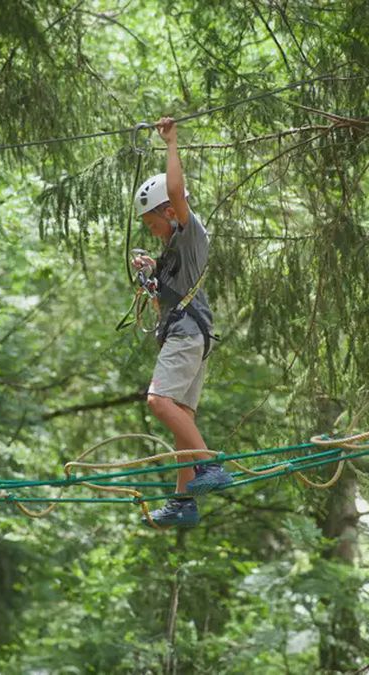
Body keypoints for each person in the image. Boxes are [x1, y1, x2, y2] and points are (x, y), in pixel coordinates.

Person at [130, 116, 232, 527]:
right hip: (189, 335)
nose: (154, 233)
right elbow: (165, 304)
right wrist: (150, 276)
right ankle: (184, 502)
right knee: (181, 420)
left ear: (171, 213)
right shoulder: (172, 254)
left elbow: (175, 190)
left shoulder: (191, 234)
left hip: (188, 335)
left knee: (158, 401)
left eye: (154, 224)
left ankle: (210, 467)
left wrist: (170, 142)